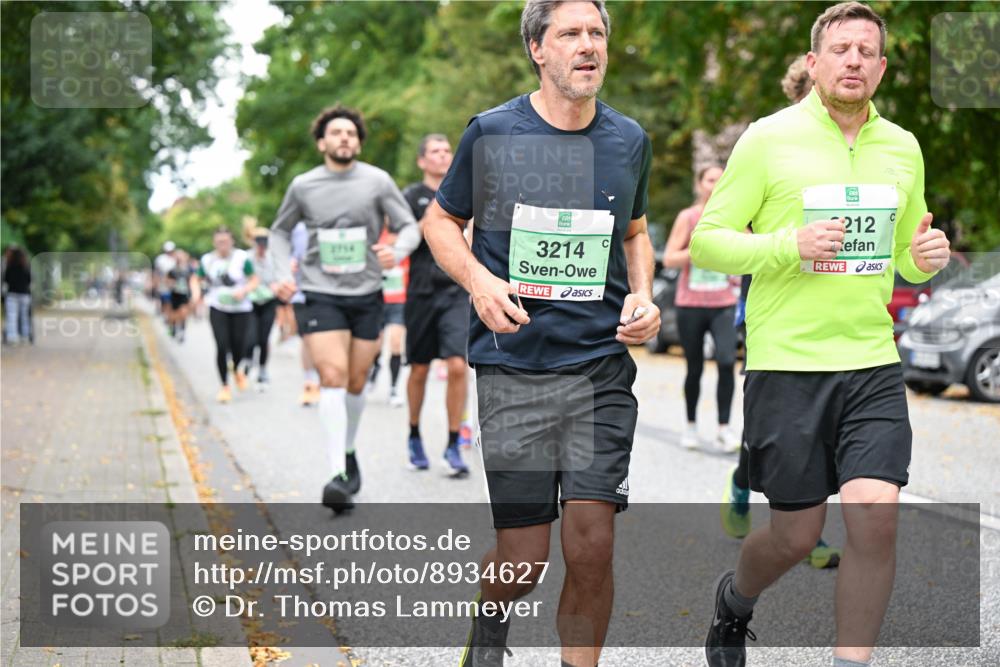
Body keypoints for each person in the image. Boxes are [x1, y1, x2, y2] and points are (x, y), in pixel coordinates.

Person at [690, 4, 951, 666]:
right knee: (796, 535)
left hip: (871, 361)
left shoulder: (903, 147)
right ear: (814, 63)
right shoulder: (767, 139)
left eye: (868, 51)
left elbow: (903, 254)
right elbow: (709, 242)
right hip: (788, 363)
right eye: (841, 49)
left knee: (874, 518)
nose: (855, 60)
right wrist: (789, 245)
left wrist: (925, 256)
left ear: (883, 67)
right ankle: (735, 601)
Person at [423, 2, 659, 665]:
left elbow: (635, 233)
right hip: (514, 367)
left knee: (591, 542)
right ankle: (492, 619)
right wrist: (479, 282)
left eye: (597, 34)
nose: (588, 46)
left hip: (600, 368)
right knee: (524, 558)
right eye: (571, 34)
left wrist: (643, 293)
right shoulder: (493, 132)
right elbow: (440, 223)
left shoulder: (628, 139)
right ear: (538, 49)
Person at [721, 54, 843, 571]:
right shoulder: (770, 143)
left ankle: (809, 532)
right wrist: (783, 242)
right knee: (777, 429)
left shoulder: (843, 150)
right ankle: (744, 477)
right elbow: (730, 229)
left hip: (832, 311)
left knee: (827, 430)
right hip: (771, 301)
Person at [270, 105, 420, 512]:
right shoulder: (303, 185)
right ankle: (338, 472)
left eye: (351, 134)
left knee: (356, 382)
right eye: (336, 133)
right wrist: (281, 272)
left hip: (367, 292)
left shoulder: (377, 181)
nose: (344, 139)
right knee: (332, 376)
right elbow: (280, 231)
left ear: (358, 142)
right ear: (322, 142)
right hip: (320, 292)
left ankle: (348, 451)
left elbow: (409, 225)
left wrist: (396, 249)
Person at [401, 134, 471, 475]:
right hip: (420, 292)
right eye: (435, 151)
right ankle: (414, 433)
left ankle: (454, 442)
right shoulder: (410, 196)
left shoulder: (464, 192)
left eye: (447, 151)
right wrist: (434, 215)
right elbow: (405, 239)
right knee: (419, 368)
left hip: (456, 291)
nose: (443, 156)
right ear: (422, 161)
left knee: (458, 365)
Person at [663, 164, 740, 452]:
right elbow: (670, 258)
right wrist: (699, 250)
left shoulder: (733, 215)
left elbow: (749, 245)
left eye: (721, 180)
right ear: (699, 184)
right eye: (710, 179)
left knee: (725, 361)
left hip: (723, 302)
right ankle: (691, 426)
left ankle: (724, 428)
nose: (715, 185)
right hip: (691, 303)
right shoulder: (689, 216)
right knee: (694, 367)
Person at [191, 227, 259, 404]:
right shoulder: (207, 260)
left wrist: (244, 290)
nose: (223, 245)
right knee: (221, 345)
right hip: (217, 307)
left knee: (239, 346)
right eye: (219, 242)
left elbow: (254, 279)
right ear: (214, 243)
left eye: (226, 241)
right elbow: (196, 279)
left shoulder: (241, 258)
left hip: (241, 308)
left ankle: (237, 369)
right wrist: (196, 295)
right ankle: (224, 386)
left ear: (232, 242)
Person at [367, 225, 409, 408]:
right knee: (375, 344)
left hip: (399, 299)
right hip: (378, 298)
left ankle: (393, 388)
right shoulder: (376, 233)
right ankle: (374, 366)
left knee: (396, 343)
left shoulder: (406, 233)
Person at [245, 224, 281, 391]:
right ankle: (248, 360)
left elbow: (280, 277)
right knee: (251, 336)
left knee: (264, 338)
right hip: (250, 302)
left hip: (268, 302)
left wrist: (276, 286)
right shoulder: (246, 258)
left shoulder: (273, 258)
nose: (261, 246)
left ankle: (262, 369)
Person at [3, 246, 32, 345]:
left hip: (12, 294)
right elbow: (29, 280)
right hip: (24, 295)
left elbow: (6, 280)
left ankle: (12, 338)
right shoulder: (26, 266)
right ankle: (25, 337)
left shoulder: (9, 266)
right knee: (24, 317)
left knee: (12, 317)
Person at [166, 249, 193, 343]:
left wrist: (192, 293)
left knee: (184, 313)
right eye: (177, 257)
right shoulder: (172, 270)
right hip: (174, 294)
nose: (179, 258)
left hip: (185, 295)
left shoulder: (188, 269)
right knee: (174, 314)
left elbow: (192, 281)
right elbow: (167, 281)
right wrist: (172, 284)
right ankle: (173, 327)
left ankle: (182, 331)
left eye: (181, 256)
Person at [153, 241, 177, 323]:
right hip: (163, 284)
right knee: (166, 301)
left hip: (175, 284)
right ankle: (167, 316)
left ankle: (172, 318)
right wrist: (155, 283)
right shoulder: (160, 259)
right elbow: (156, 272)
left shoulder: (176, 258)